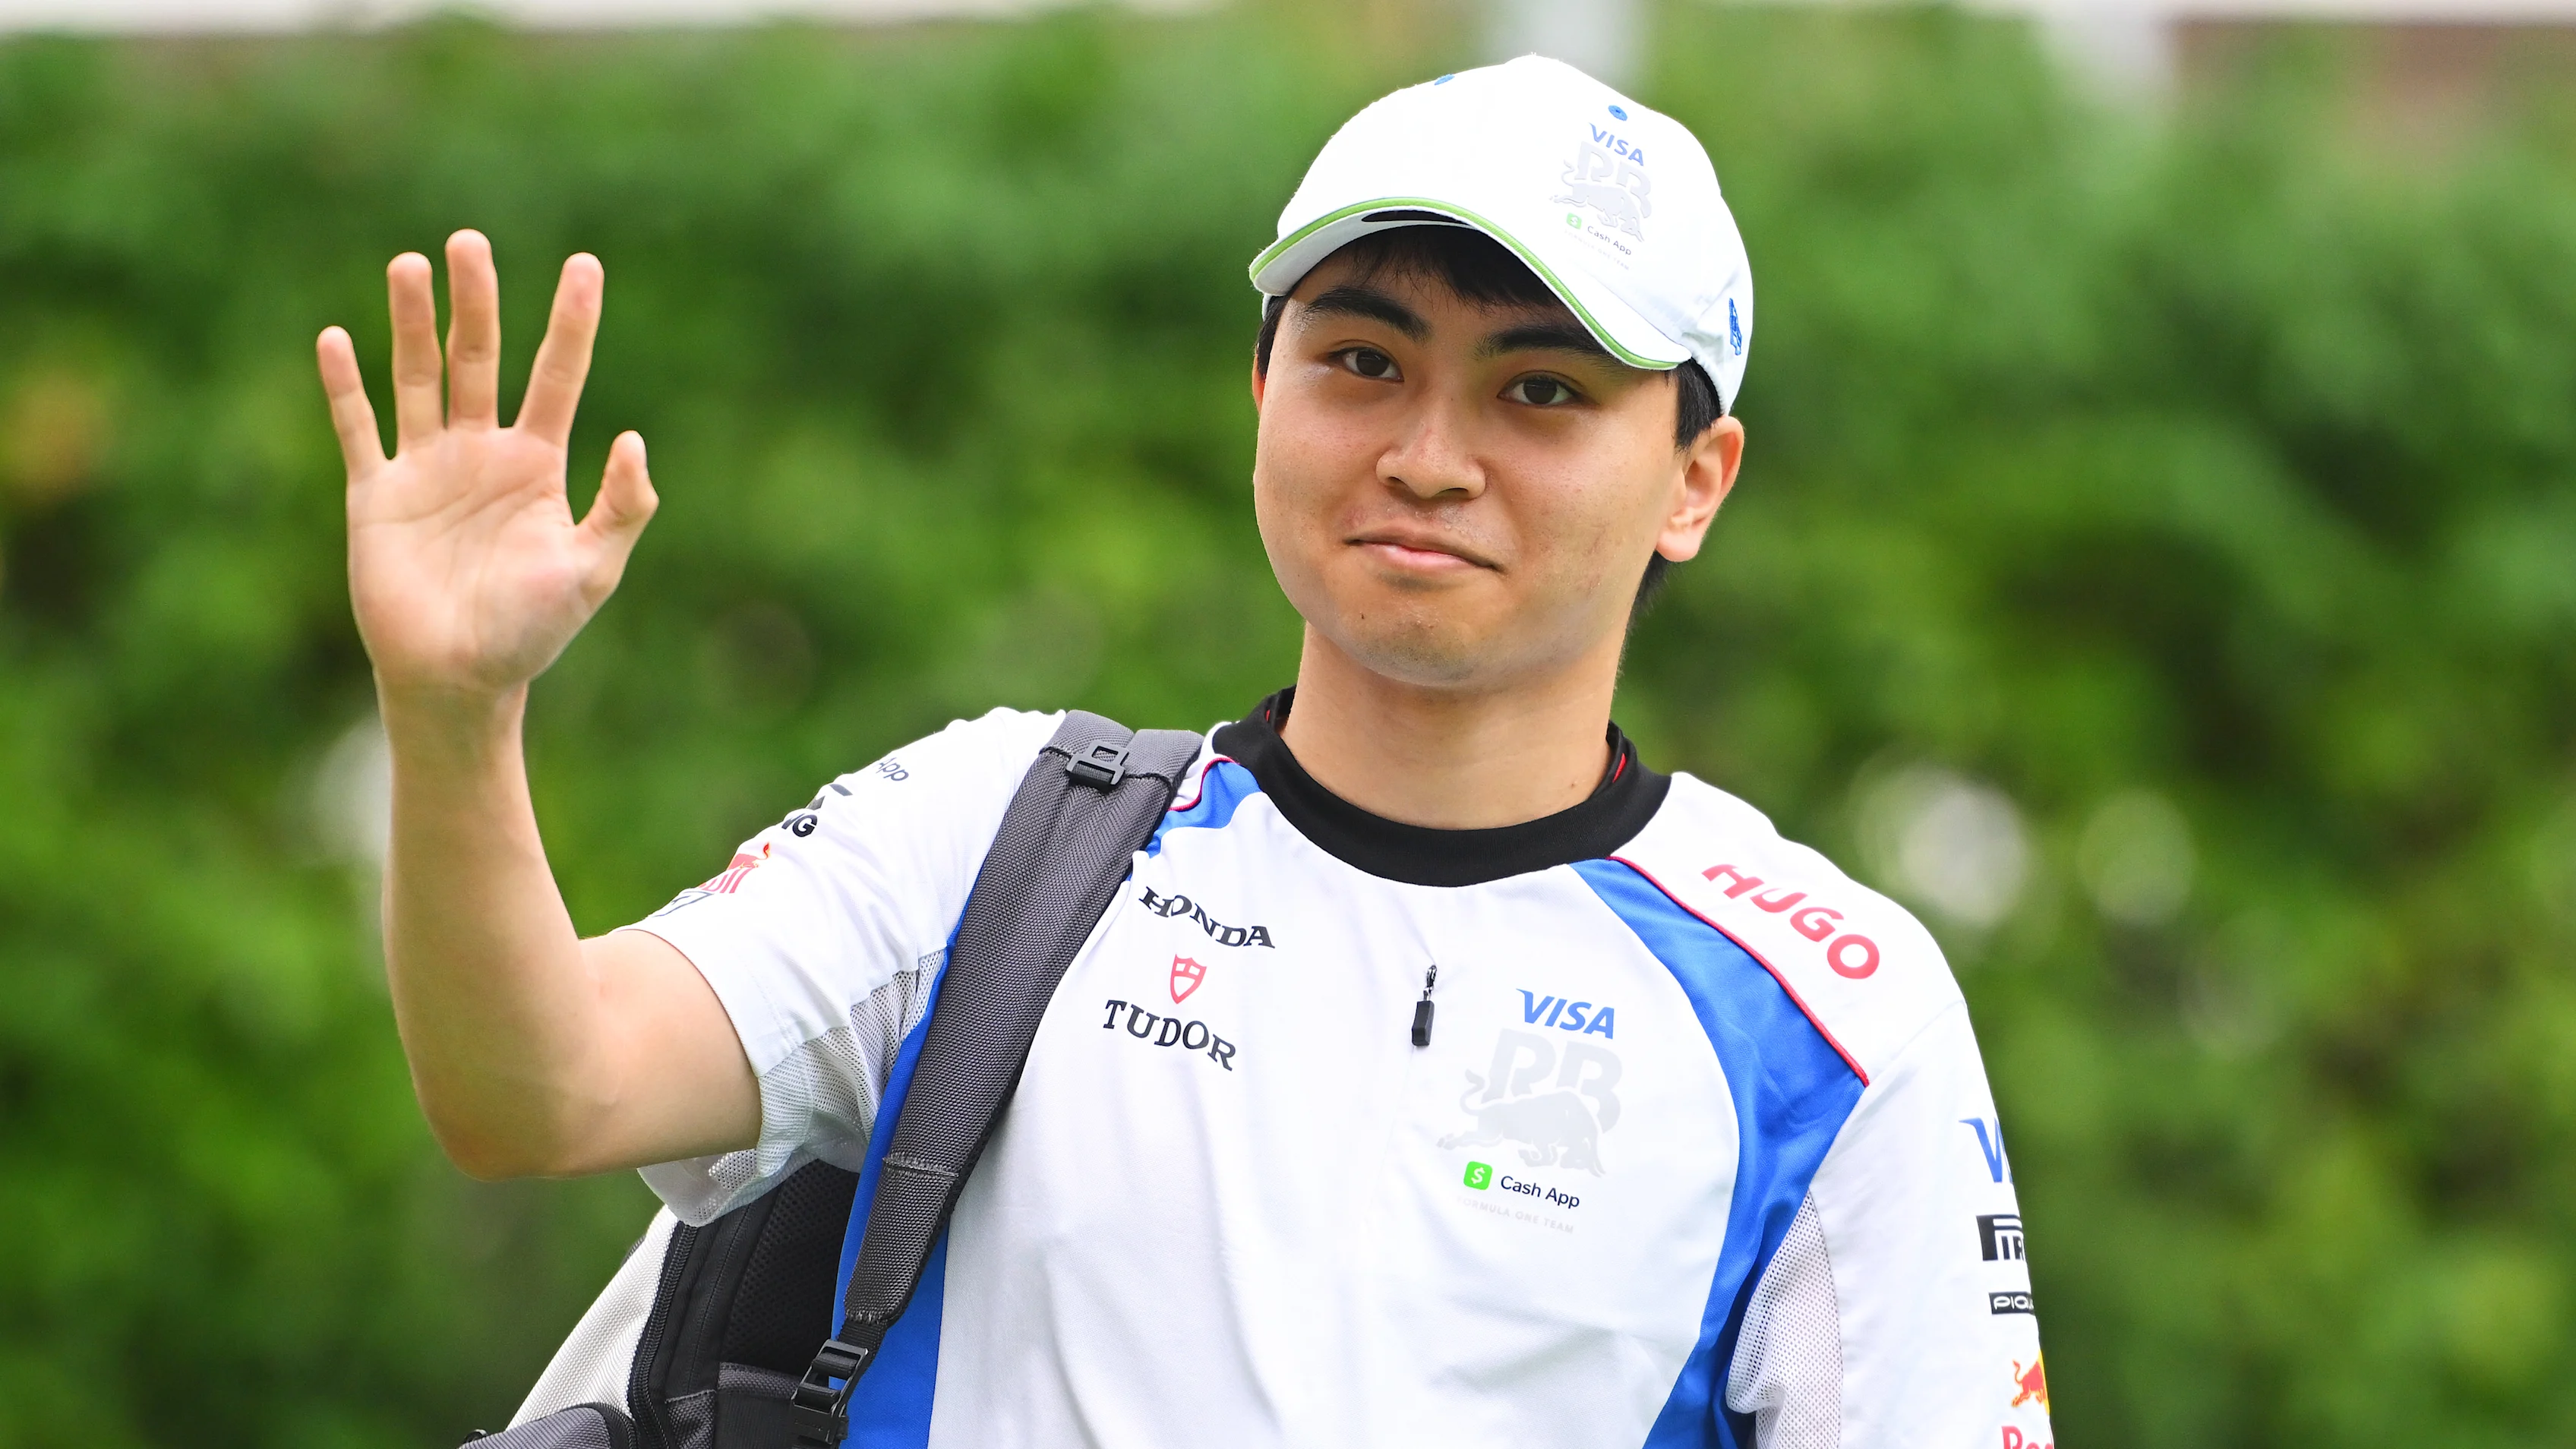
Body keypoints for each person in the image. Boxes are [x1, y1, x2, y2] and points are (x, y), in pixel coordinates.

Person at [315, 55, 2050, 1449]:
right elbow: (539, 1090)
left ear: (1694, 480)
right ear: (1262, 393)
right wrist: (455, 717)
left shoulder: (1836, 1020)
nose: (1429, 455)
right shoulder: (999, 835)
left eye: (1540, 392)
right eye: (1362, 361)